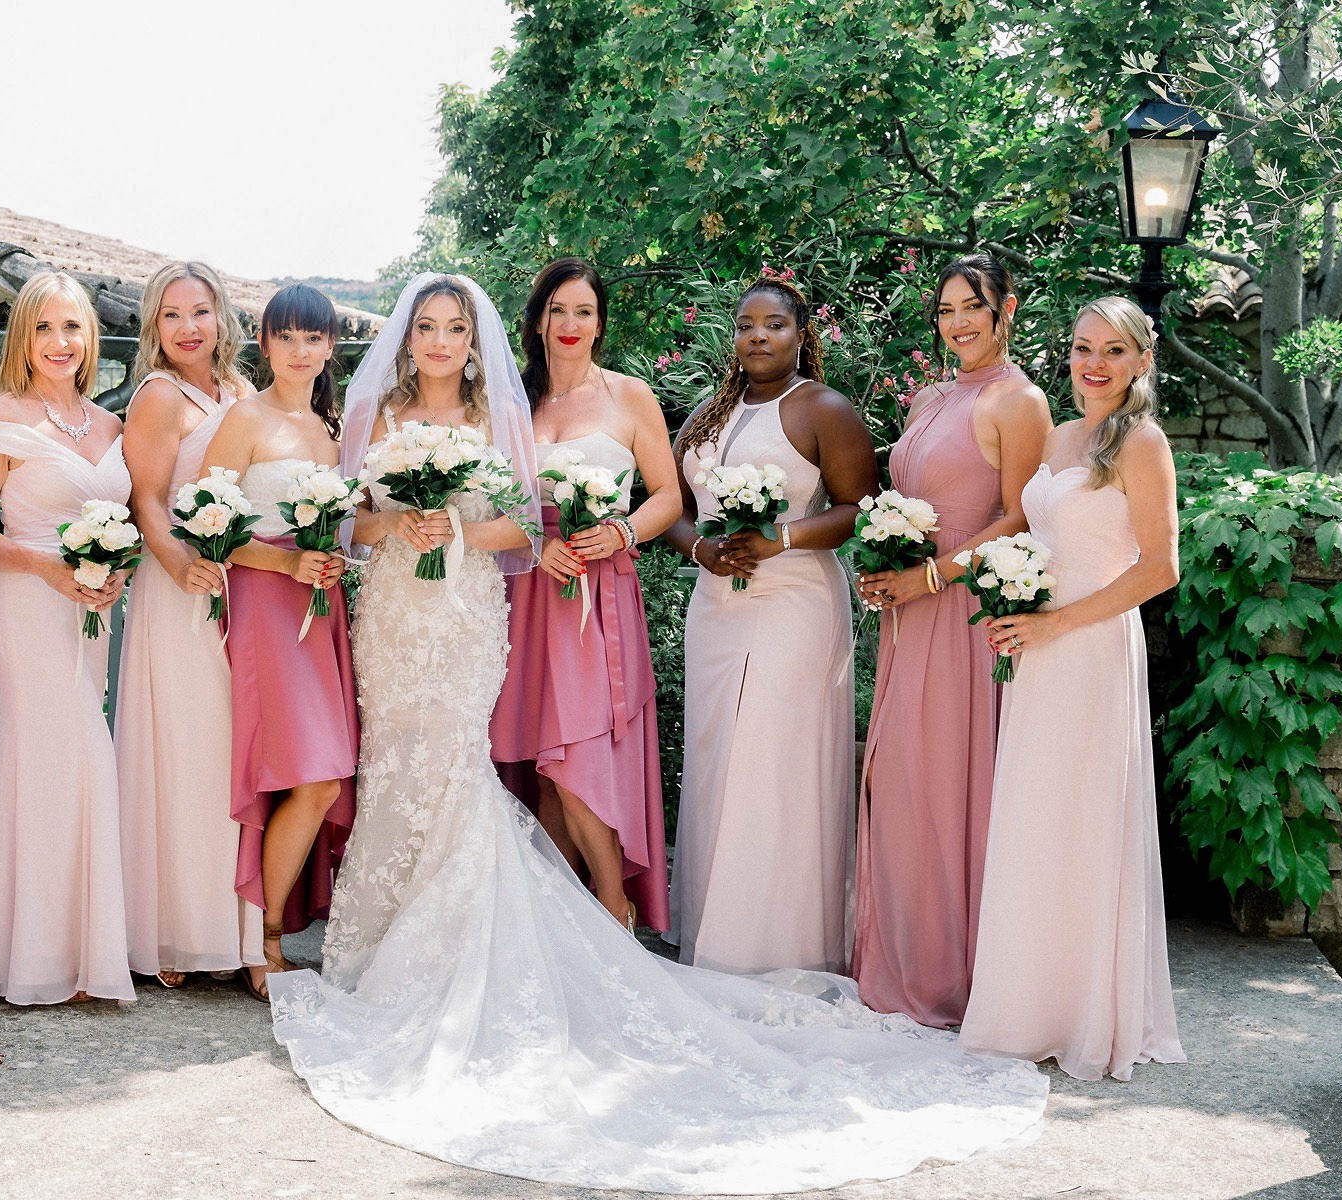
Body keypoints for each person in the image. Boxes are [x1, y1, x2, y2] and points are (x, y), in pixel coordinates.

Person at [267, 273, 1045, 1196]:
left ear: (475, 341)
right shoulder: (378, 410)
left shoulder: (501, 411)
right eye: (425, 326)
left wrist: (487, 533)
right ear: (409, 341)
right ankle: (387, 933)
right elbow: (351, 524)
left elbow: (522, 518)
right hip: (398, 610)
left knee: (462, 760)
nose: (439, 339)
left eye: (453, 326)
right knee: (400, 757)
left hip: (475, 610)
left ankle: (501, 929)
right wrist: (400, 519)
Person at [960, 295, 1186, 1082]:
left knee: (1084, 817)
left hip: (1089, 650)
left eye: (1113, 351)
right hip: (1034, 650)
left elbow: (1159, 568)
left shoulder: (1142, 442)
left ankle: (1090, 1009)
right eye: (1083, 347)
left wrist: (1059, 624)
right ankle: (1029, 1005)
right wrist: (1008, 598)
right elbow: (1032, 534)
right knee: (1034, 817)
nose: (1093, 364)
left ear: (1141, 361)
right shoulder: (1058, 436)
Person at [850, 254, 1052, 1027]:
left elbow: (1019, 518)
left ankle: (954, 975)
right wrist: (886, 558)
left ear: (1006, 310)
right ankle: (897, 957)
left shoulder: (1019, 400)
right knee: (898, 778)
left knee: (945, 782)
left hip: (963, 611)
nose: (958, 322)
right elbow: (909, 494)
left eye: (973, 307)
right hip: (909, 607)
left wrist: (933, 577)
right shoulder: (933, 395)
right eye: (945, 310)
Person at [663, 276, 878, 974]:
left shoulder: (824, 408)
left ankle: (781, 944)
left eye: (775, 325)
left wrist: (778, 540)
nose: (758, 336)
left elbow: (860, 507)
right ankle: (712, 933)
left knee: (774, 759)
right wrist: (701, 549)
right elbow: (670, 505)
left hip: (794, 604)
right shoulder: (706, 412)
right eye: (746, 324)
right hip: (716, 605)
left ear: (801, 334)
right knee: (719, 755)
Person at [490, 258, 680, 933]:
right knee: (541, 763)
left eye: (585, 312)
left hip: (596, 594)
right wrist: (530, 544)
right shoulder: (512, 406)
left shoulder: (631, 398)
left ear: (601, 323)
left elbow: (668, 496)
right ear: (538, 319)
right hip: (528, 587)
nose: (571, 325)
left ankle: (613, 906)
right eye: (558, 310)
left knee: (577, 755)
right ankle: (559, 923)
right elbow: (494, 497)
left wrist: (622, 531)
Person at [0, 272, 134, 1006]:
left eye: (72, 327)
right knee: (41, 749)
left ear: (90, 337)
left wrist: (114, 574)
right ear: (22, 340)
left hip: (91, 611)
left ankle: (82, 948)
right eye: (43, 329)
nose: (59, 343)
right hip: (28, 603)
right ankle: (27, 955)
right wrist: (45, 567)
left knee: (84, 750)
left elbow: (126, 525)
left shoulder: (110, 427)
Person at [200, 283, 357, 1000]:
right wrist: (285, 559)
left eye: (314, 338)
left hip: (320, 608)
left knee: (323, 778)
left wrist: (329, 560)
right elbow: (207, 523)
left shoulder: (331, 431)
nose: (300, 351)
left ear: (330, 347)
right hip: (266, 603)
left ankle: (264, 929)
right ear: (264, 343)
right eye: (286, 337)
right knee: (310, 775)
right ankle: (259, 938)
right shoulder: (245, 417)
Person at [114, 262, 261, 991]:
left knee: (230, 752)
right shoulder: (158, 395)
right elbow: (146, 499)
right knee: (185, 752)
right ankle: (172, 931)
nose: (188, 327)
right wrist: (178, 563)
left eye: (200, 311)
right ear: (155, 326)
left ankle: (234, 930)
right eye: (172, 315)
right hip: (179, 591)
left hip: (240, 589)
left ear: (221, 318)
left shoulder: (238, 394)